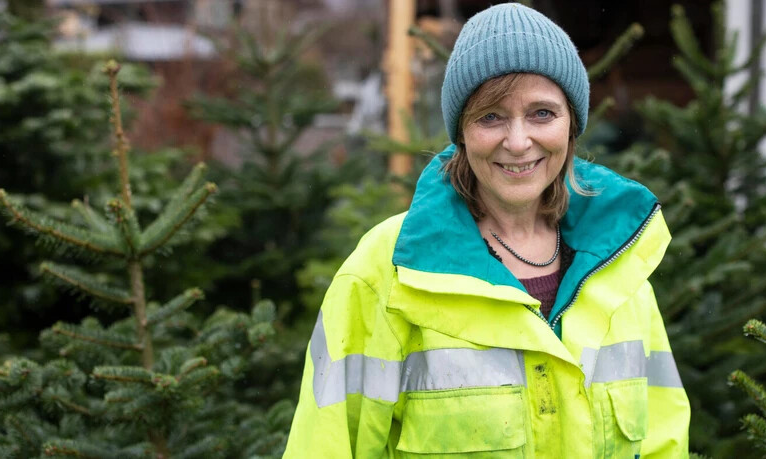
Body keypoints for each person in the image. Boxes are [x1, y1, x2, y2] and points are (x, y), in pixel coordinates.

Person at [284, 3, 690, 458]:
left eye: (542, 113)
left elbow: (663, 441)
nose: (518, 142)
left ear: (572, 125)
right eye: (490, 117)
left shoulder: (619, 261)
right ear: (461, 132)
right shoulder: (386, 270)